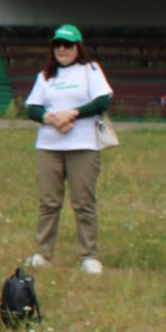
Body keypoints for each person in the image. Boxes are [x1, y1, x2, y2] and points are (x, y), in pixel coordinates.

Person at [22, 25, 113, 275]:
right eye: (58, 44)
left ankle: (89, 254)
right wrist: (52, 119)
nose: (62, 49)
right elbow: (32, 108)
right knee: (49, 202)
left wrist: (73, 114)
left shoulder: (90, 70)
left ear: (78, 47)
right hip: (50, 146)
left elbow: (102, 100)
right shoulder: (46, 75)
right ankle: (43, 252)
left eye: (68, 45)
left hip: (83, 146)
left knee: (84, 202)